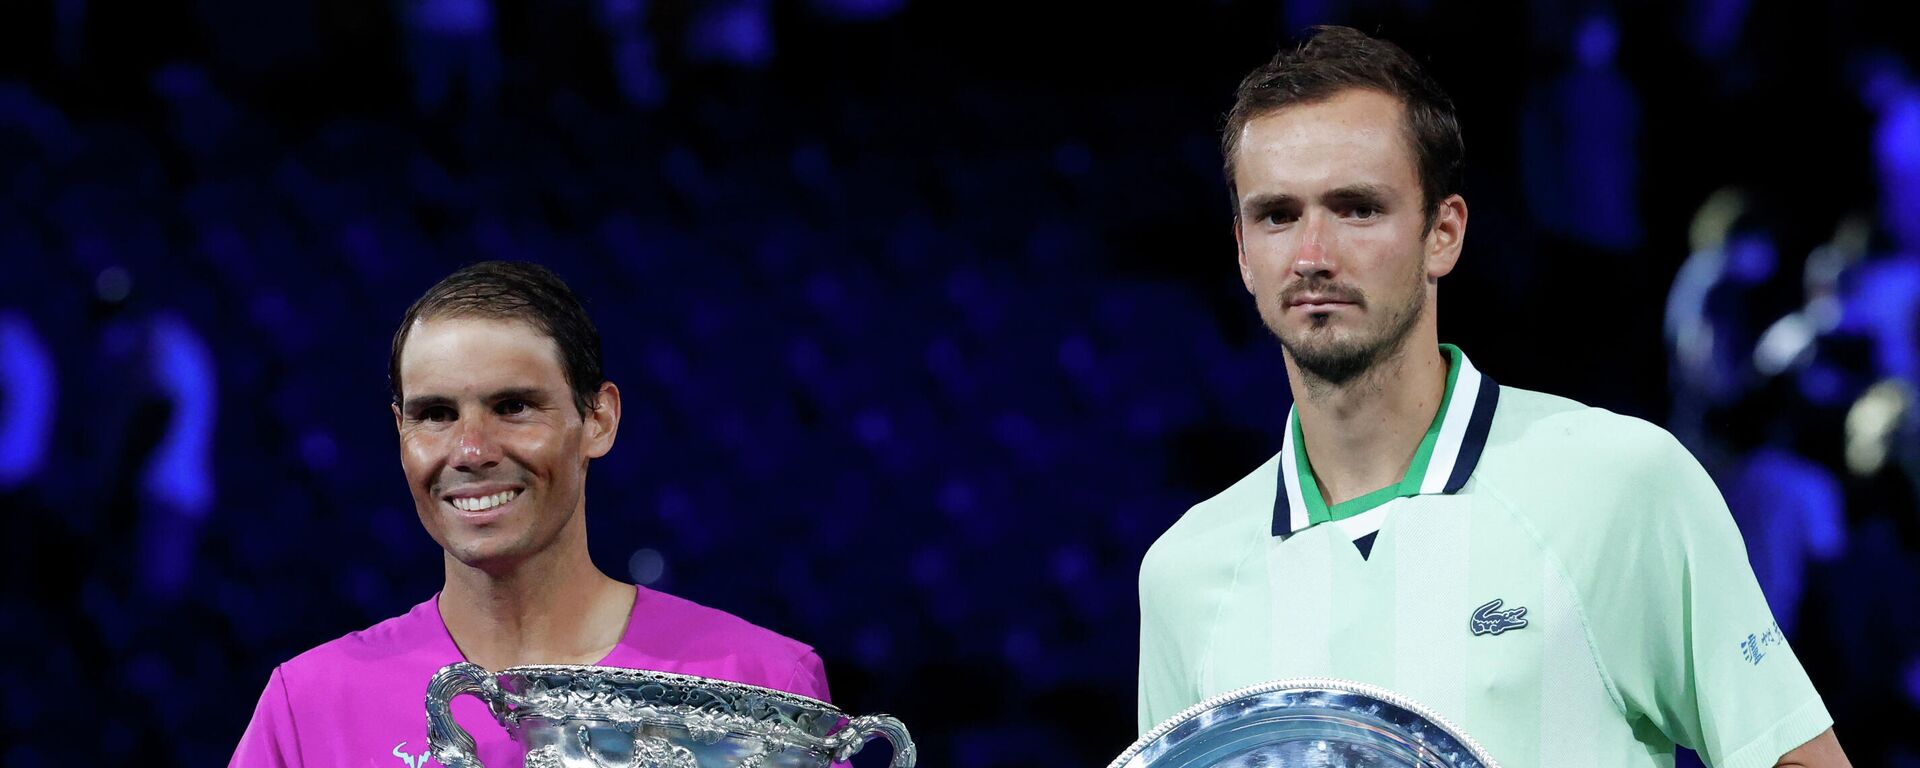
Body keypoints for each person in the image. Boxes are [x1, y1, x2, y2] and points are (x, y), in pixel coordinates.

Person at [1135, 26, 1849, 766]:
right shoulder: (1184, 576)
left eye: (1357, 208)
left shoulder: (1621, 483)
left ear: (1443, 233)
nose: (1314, 255)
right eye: (1278, 215)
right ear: (1244, 254)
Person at [232, 261, 831, 766]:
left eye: (513, 406)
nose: (471, 452)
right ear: (400, 432)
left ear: (599, 420)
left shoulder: (761, 681)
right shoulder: (308, 706)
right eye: (436, 414)